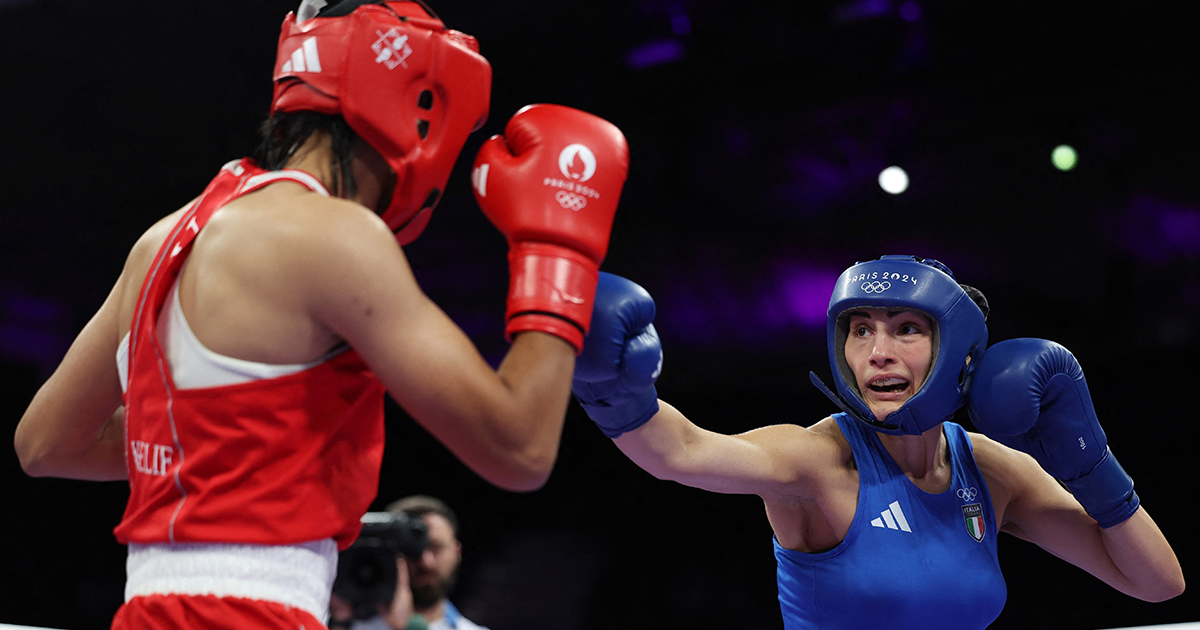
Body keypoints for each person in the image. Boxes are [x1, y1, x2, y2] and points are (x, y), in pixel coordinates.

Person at [13, 1, 630, 628]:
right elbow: (519, 449)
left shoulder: (163, 239)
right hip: (254, 615)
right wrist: (559, 253)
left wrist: (218, 444)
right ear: (418, 108)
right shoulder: (336, 236)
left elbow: (46, 443)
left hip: (147, 610)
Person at [572, 257, 1184, 630]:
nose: (877, 351)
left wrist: (1090, 463)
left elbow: (1156, 583)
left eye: (907, 329)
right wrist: (616, 392)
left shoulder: (992, 470)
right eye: (859, 329)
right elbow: (681, 452)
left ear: (961, 354)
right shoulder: (817, 460)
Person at [331, 495, 486, 630]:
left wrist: (409, 627)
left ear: (457, 551)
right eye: (411, 551)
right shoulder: (339, 621)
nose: (426, 562)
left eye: (436, 548)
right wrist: (340, 621)